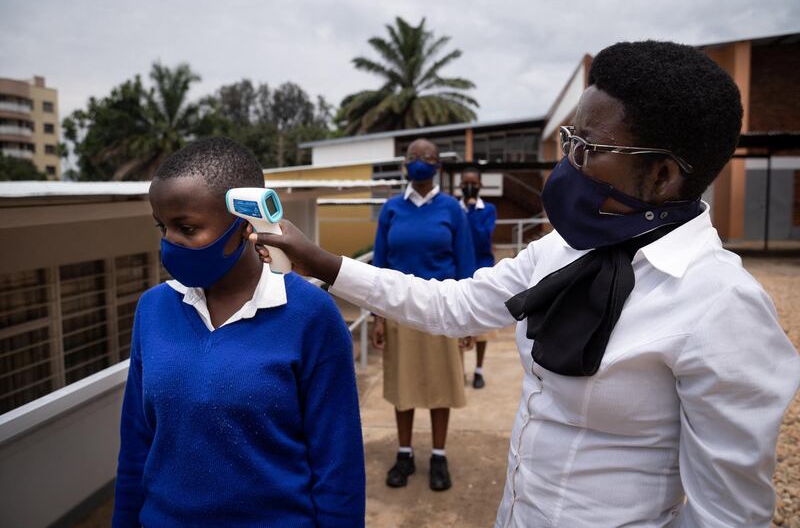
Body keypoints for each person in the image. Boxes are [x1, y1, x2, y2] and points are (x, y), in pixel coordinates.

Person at [252, 41, 799, 527]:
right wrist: (322, 260)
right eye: (568, 139)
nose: (567, 162)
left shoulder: (720, 306)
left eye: (587, 147)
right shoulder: (560, 250)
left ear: (662, 175)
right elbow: (451, 304)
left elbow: (726, 514)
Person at [112, 137, 365, 527]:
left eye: (186, 227)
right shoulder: (153, 309)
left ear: (244, 224)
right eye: (162, 227)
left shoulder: (310, 315)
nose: (169, 243)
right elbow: (136, 444)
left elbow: (338, 466)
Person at [369, 138, 476, 491]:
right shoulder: (391, 209)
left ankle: (439, 456)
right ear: (404, 164)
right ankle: (404, 454)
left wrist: (468, 319)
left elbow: (465, 265)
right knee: (403, 386)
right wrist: (378, 317)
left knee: (440, 385)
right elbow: (380, 268)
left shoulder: (452, 210)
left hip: (442, 310)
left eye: (425, 157)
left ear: (438, 166)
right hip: (399, 311)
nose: (418, 162)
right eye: (412, 157)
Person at [459, 167, 497, 388]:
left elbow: (483, 239)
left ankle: (479, 370)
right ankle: (460, 370)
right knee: (458, 322)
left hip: (482, 272)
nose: (468, 187)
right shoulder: (454, 209)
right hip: (459, 274)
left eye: (473, 183)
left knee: (481, 327)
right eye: (465, 183)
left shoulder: (487, 209)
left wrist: (472, 211)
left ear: (480, 185)